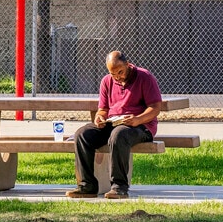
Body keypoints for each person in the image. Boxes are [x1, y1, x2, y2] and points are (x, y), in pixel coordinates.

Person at [66, 50, 163, 199]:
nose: (118, 77)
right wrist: (99, 118)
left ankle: (119, 187)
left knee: (119, 135)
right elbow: (103, 109)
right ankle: (87, 186)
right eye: (113, 74)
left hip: (140, 126)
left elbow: (155, 107)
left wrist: (137, 119)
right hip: (113, 123)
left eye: (120, 72)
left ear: (127, 64)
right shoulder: (107, 81)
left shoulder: (145, 77)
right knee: (82, 134)